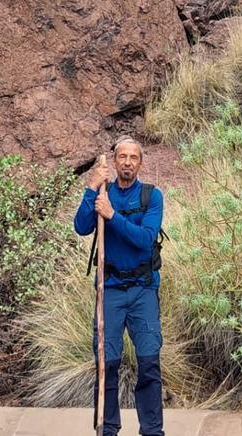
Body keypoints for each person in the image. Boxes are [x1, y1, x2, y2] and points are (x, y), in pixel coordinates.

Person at [74, 136, 165, 436]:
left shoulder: (152, 197)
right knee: (106, 364)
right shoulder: (103, 192)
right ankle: (107, 429)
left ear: (140, 162)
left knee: (149, 363)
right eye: (122, 157)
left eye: (133, 158)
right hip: (109, 289)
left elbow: (144, 240)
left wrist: (112, 216)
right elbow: (81, 226)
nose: (127, 162)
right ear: (114, 161)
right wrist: (91, 188)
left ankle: (152, 431)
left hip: (143, 290)